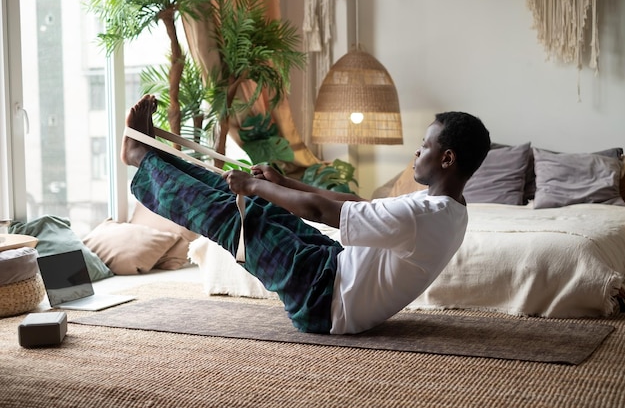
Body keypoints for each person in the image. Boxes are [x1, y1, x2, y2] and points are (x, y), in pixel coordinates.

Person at [122, 94, 491, 335]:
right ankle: (153, 152)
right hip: (333, 268)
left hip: (322, 299)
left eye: (425, 146)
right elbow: (354, 202)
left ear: (447, 159)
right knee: (258, 207)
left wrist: (254, 187)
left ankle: (140, 157)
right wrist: (284, 183)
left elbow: (323, 211)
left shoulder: (421, 214)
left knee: (234, 216)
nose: (417, 152)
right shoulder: (450, 209)